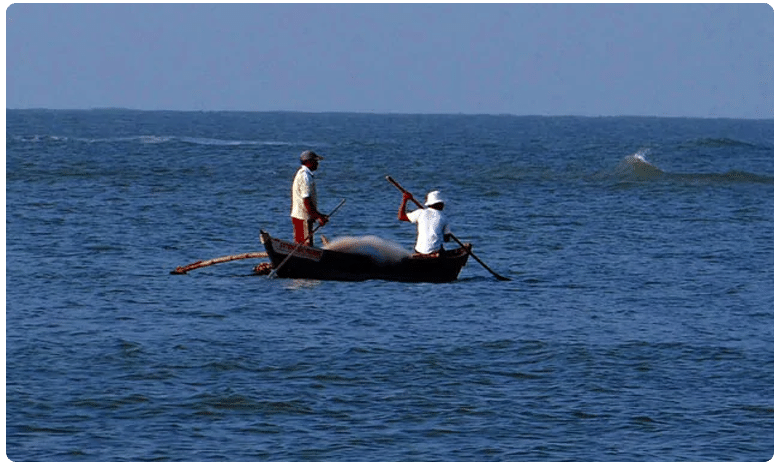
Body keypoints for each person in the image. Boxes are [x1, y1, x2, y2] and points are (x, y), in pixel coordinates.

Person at [291, 150, 328, 246]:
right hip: (303, 217)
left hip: (300, 215)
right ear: (309, 162)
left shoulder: (301, 173)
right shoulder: (305, 176)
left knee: (300, 244)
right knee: (305, 245)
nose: (317, 164)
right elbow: (306, 200)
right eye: (315, 161)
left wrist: (317, 215)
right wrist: (318, 216)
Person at [397, 190, 452, 254]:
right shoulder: (444, 217)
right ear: (439, 204)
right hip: (435, 252)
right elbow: (447, 240)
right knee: (441, 247)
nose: (443, 206)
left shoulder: (420, 212)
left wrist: (405, 200)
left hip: (419, 251)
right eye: (442, 204)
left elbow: (401, 216)